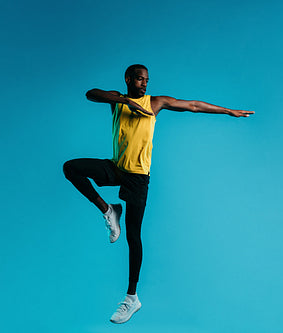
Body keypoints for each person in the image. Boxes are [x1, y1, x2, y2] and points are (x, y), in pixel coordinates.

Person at [63, 64, 254, 324]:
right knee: (71, 168)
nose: (144, 83)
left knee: (133, 235)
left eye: (147, 80)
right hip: (116, 167)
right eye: (140, 79)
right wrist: (124, 101)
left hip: (138, 178)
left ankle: (131, 298)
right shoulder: (116, 100)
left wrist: (228, 111)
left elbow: (194, 105)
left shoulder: (155, 103)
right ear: (128, 79)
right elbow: (91, 93)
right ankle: (109, 209)